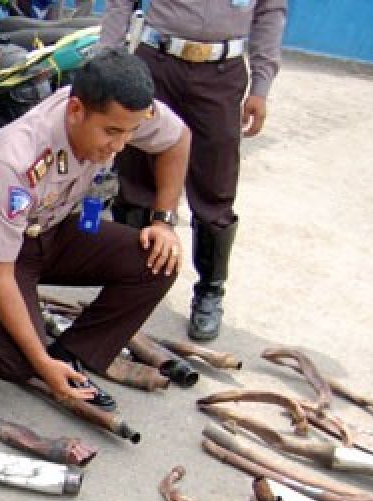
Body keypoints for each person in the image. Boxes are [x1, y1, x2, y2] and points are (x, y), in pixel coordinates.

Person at [0, 48, 190, 410]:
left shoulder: (121, 108)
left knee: (156, 261)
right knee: (17, 364)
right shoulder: (14, 162)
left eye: (131, 133)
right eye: (112, 132)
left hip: (52, 227)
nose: (120, 145)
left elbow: (178, 138)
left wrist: (163, 221)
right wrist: (40, 363)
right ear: (75, 111)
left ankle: (73, 356)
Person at [100, 0, 288, 341]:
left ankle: (210, 292)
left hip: (222, 74)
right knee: (137, 181)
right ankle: (126, 282)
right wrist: (106, 55)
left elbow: (270, 13)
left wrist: (261, 87)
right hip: (155, 64)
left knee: (215, 188)